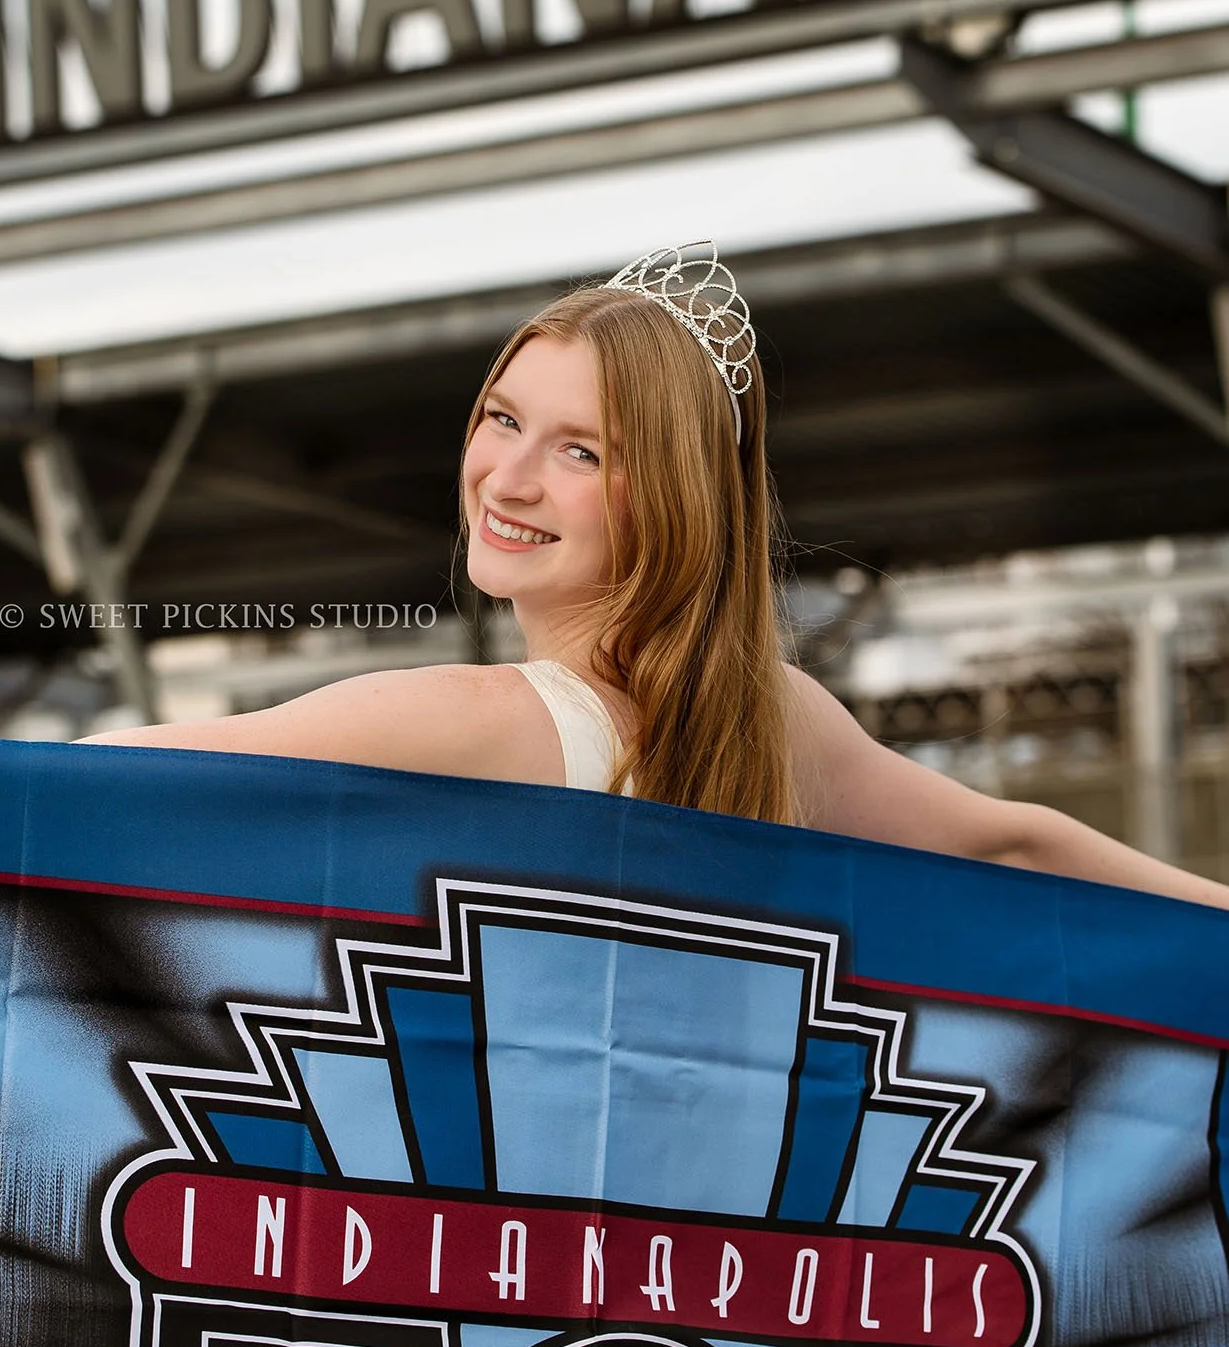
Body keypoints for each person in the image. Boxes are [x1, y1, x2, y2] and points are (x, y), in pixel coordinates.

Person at [84, 242, 1229, 911]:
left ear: (669, 494)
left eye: (580, 452)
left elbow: (99, 782)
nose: (508, 478)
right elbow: (1015, 844)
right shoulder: (775, 716)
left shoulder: (477, 716)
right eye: (501, 419)